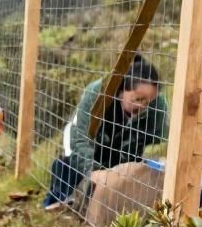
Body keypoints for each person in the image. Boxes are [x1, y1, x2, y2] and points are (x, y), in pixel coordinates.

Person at [44, 55, 167, 208]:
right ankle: (57, 200)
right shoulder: (97, 93)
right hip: (88, 138)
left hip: (124, 145)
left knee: (118, 176)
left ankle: (96, 205)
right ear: (123, 90)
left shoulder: (157, 105)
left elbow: (163, 137)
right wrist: (95, 172)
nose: (143, 106)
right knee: (72, 165)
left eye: (148, 102)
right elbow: (79, 139)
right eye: (138, 99)